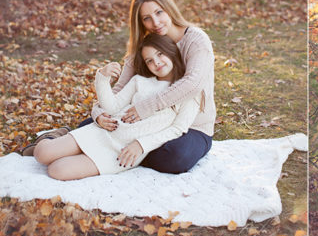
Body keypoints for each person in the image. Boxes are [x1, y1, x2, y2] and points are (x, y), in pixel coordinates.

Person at [33, 33, 199, 179]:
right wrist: (103, 78)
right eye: (149, 60)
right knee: (42, 154)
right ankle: (52, 138)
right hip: (104, 132)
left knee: (57, 170)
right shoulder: (139, 81)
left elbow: (177, 129)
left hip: (122, 151)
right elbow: (111, 107)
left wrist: (141, 145)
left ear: (170, 51)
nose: (156, 62)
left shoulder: (186, 91)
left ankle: (64, 145)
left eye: (160, 54)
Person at [90, 0, 216, 174]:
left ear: (169, 9)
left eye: (159, 12)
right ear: (140, 23)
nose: (155, 22)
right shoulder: (144, 48)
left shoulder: (196, 40)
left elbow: (193, 84)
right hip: (146, 124)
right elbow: (119, 89)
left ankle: (129, 151)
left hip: (190, 127)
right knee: (89, 125)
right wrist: (97, 112)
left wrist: (146, 108)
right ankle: (124, 149)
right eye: (146, 18)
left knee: (175, 157)